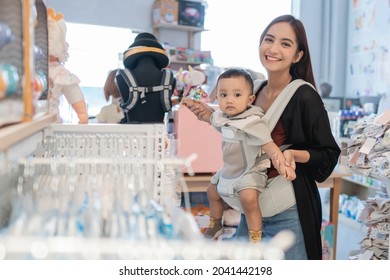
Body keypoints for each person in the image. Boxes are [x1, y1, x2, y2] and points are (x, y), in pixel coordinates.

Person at [182, 15, 341, 259]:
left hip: (287, 211)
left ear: (298, 55)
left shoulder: (304, 97)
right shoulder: (253, 89)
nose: (274, 49)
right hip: (252, 207)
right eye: (269, 40)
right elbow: (238, 130)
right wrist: (208, 115)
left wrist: (292, 154)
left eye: (285, 44)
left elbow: (329, 154)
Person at [183, 68, 296, 243]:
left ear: (250, 99)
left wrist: (282, 164)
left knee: (248, 199)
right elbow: (210, 118)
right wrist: (196, 108)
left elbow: (269, 145)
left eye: (237, 95)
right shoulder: (223, 116)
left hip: (250, 170)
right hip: (229, 170)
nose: (229, 100)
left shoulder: (252, 121)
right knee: (212, 191)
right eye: (223, 95)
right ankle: (215, 223)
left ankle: (255, 237)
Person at [47, 8, 88, 124]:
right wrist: (82, 115)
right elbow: (75, 95)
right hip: (49, 124)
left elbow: (74, 95)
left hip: (46, 125)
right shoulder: (60, 72)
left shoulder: (60, 73)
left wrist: (83, 115)